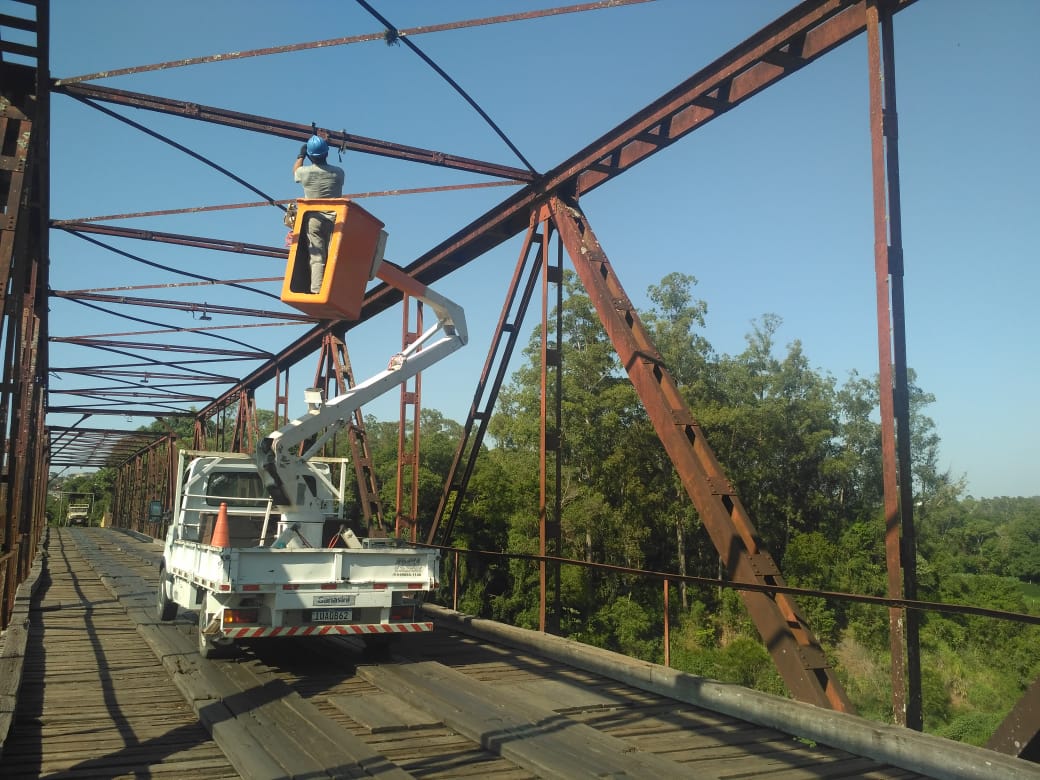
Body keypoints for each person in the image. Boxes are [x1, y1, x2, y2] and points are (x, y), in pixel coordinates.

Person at [293, 135, 345, 293]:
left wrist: (301, 155)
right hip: (335, 219)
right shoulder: (339, 173)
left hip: (313, 219)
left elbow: (295, 171)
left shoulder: (304, 173)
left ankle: (317, 291)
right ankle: (334, 289)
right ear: (327, 153)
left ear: (310, 155)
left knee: (317, 257)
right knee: (334, 255)